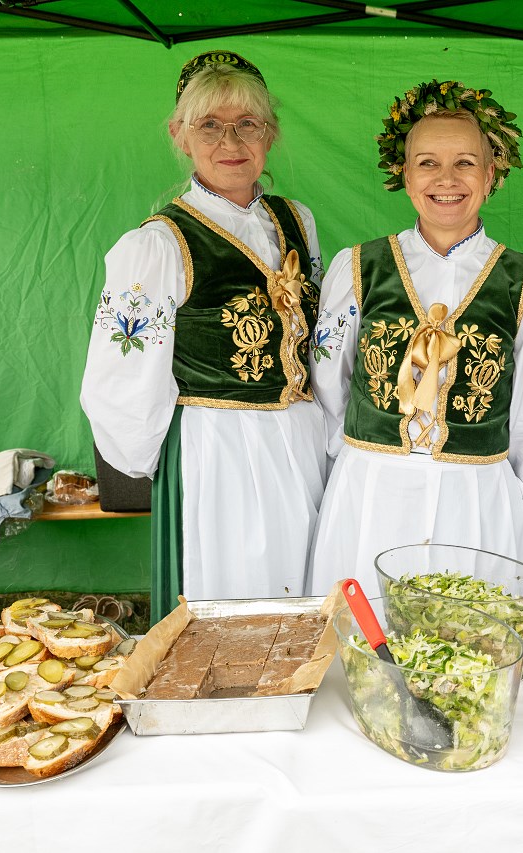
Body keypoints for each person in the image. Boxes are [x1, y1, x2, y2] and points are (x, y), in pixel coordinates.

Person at [81, 51, 327, 622]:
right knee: (234, 591)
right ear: (180, 135)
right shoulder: (159, 245)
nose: (230, 140)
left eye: (248, 124)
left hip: (301, 434)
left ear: (271, 134)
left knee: (303, 584)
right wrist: (156, 461)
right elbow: (119, 379)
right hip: (219, 446)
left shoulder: (297, 221)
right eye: (209, 125)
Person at [305, 80, 523, 596]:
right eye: (427, 162)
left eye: (466, 163)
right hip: (372, 488)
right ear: (403, 175)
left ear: (491, 175)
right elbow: (328, 381)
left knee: (467, 642)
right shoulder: (357, 267)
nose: (446, 179)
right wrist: (361, 456)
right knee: (365, 642)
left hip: (476, 494)